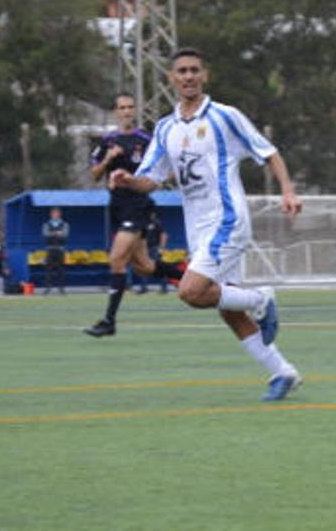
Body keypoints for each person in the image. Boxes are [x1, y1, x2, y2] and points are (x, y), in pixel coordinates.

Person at [109, 47, 304, 401]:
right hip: (198, 228)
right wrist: (126, 179)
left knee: (189, 291)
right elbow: (151, 178)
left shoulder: (224, 117)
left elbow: (268, 151)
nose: (188, 76)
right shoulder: (166, 128)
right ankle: (282, 372)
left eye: (194, 70)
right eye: (181, 71)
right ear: (171, 78)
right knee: (227, 309)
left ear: (204, 75)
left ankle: (262, 298)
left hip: (227, 220)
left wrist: (287, 191)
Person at [84, 93, 181, 336]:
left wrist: (147, 182)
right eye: (122, 107)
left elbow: (169, 169)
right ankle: (189, 277)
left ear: (135, 110)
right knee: (144, 267)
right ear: (116, 112)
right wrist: (109, 158)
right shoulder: (108, 141)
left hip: (138, 205)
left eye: (130, 107)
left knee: (116, 259)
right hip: (117, 206)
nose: (127, 111)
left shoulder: (146, 140)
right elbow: (95, 174)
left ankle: (109, 321)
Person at [135, 211, 171, 294]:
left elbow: (164, 235)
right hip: (144, 249)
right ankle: (144, 288)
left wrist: (161, 248)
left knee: (158, 268)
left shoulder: (156, 223)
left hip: (154, 248)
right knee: (143, 268)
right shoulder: (142, 223)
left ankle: (164, 288)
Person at [42, 207, 70, 295]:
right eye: (53, 213)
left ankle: (61, 288)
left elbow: (65, 234)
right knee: (48, 269)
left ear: (59, 214)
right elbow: (45, 234)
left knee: (61, 269)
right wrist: (56, 233)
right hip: (50, 249)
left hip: (60, 249)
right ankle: (47, 288)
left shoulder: (64, 224)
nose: (55, 215)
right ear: (51, 215)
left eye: (57, 213)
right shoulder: (46, 224)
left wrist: (55, 234)